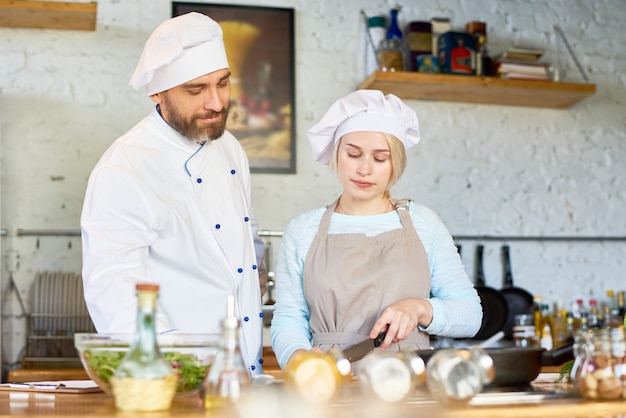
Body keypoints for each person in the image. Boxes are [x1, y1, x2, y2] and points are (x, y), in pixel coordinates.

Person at [81, 12, 266, 376]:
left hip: (245, 368)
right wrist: (170, 366)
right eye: (196, 90)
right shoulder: (125, 167)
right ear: (157, 92)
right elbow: (115, 286)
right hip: (179, 375)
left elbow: (246, 241)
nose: (215, 103)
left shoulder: (230, 149)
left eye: (223, 83)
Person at [270, 90, 482, 369]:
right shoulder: (303, 230)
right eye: (353, 154)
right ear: (336, 153)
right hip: (330, 380)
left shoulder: (424, 224)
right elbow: (289, 317)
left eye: (380, 158)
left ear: (396, 163)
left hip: (407, 384)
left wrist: (419, 308)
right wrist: (298, 358)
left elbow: (471, 315)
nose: (364, 169)